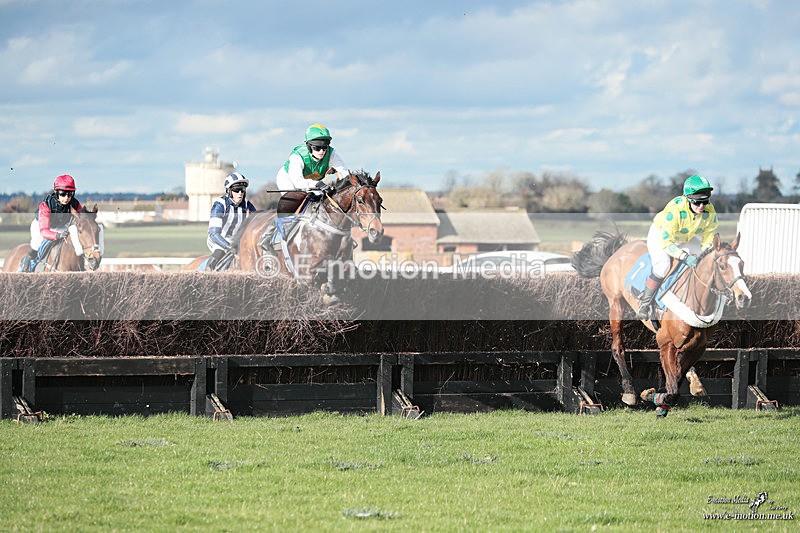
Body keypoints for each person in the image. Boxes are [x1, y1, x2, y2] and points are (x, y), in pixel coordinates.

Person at [637, 174, 719, 319]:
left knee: (706, 261)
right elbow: (667, 243)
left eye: (705, 202)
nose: (702, 206)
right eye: (697, 203)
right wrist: (684, 256)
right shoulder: (675, 209)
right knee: (663, 267)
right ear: (688, 199)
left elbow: (709, 238)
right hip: (661, 236)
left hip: (685, 238)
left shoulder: (709, 211)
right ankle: (645, 303)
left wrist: (705, 253)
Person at [262, 124, 348, 247]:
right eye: (317, 148)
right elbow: (298, 183)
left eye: (324, 147)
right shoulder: (297, 156)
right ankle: (269, 234)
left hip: (314, 182)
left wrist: (332, 179)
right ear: (309, 146)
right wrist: (321, 183)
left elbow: (345, 172)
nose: (322, 151)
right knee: (294, 203)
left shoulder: (331, 153)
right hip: (289, 179)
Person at [20, 174, 84, 272]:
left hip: (61, 226)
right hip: (42, 226)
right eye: (63, 193)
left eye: (70, 194)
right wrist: (57, 236)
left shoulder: (75, 203)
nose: (66, 198)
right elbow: (44, 231)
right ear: (56, 192)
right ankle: (26, 265)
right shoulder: (46, 204)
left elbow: (84, 219)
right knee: (37, 243)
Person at [205, 172, 257, 271]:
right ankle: (207, 273)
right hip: (219, 240)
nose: (240, 193)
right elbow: (214, 234)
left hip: (236, 241)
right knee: (220, 251)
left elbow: (257, 221)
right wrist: (228, 246)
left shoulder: (247, 204)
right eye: (237, 190)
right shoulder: (219, 205)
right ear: (229, 191)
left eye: (242, 190)